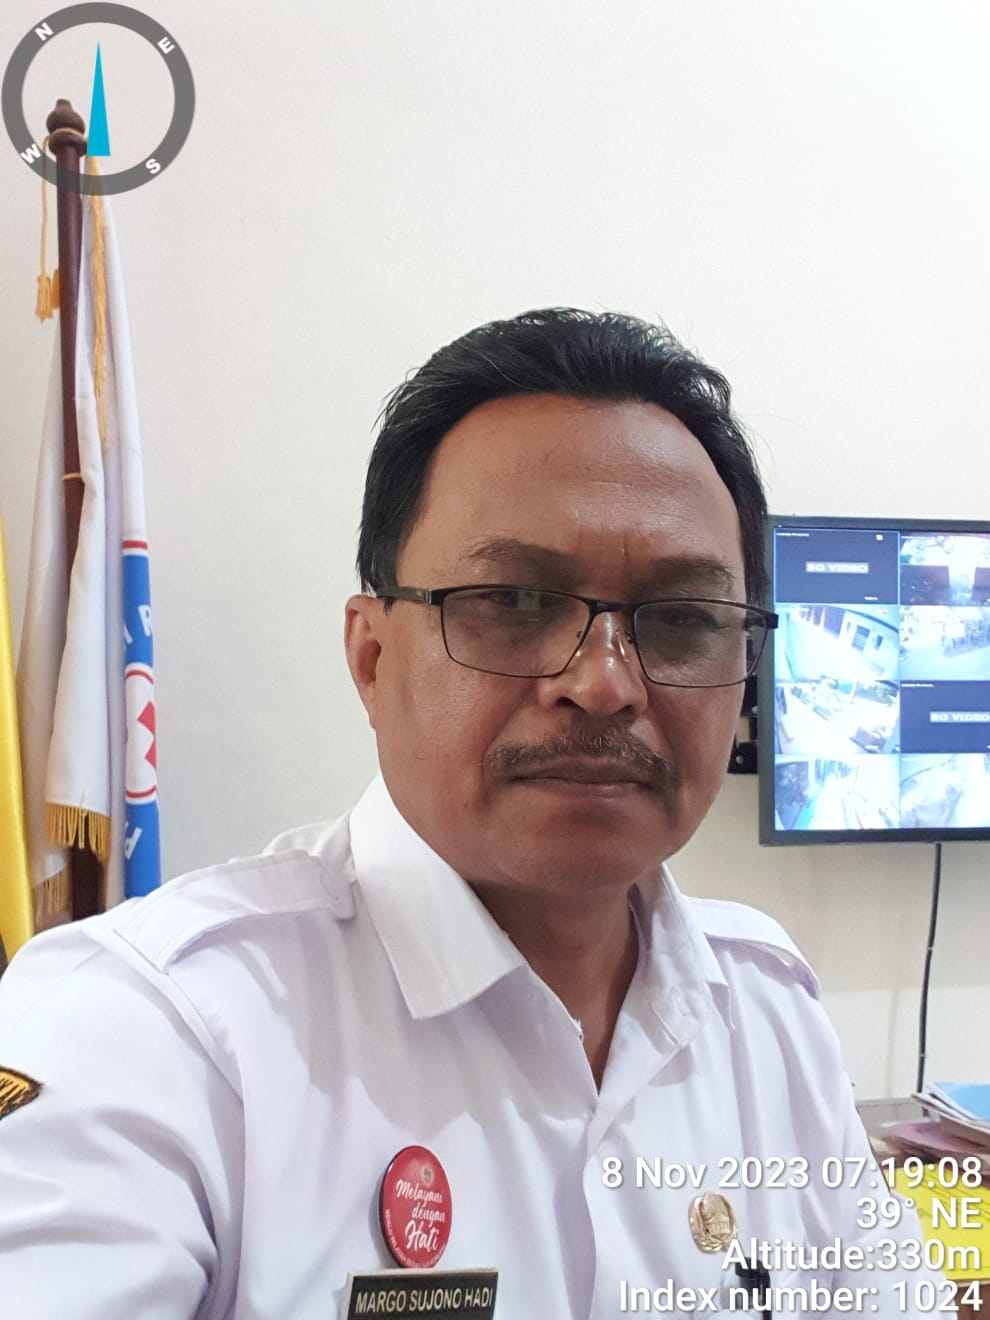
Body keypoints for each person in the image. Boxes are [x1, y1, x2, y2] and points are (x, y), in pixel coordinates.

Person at [0, 309, 943, 1317]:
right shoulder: (150, 1030)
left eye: (681, 620)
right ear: (371, 657)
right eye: (518, 603)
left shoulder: (767, 1010)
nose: (604, 684)